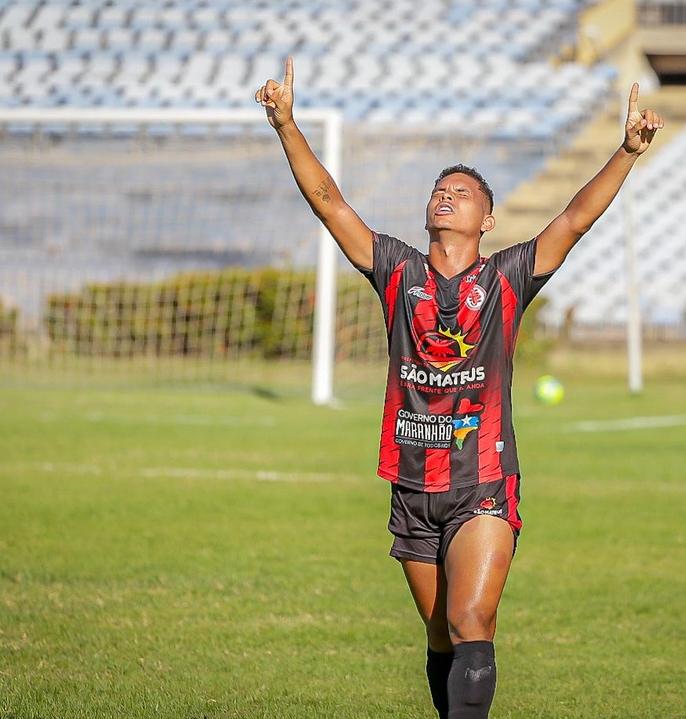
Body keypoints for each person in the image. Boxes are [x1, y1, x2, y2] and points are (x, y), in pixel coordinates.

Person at [256, 57, 662, 719]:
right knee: (442, 633)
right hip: (413, 483)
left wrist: (626, 152)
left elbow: (573, 221)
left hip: (484, 485)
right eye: (439, 189)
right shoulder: (394, 269)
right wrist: (286, 126)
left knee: (474, 619)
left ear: (488, 222)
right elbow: (329, 202)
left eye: (463, 192)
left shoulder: (506, 278)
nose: (446, 195)